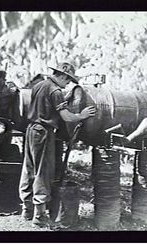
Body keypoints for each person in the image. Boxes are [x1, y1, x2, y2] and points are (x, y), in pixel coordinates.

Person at [19, 62, 96, 227]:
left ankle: (27, 209)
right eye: (67, 81)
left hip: (31, 129)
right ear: (62, 75)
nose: (67, 84)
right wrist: (81, 115)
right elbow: (67, 117)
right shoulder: (55, 91)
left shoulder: (39, 85)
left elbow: (45, 106)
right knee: (43, 172)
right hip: (43, 133)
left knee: (29, 168)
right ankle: (39, 217)